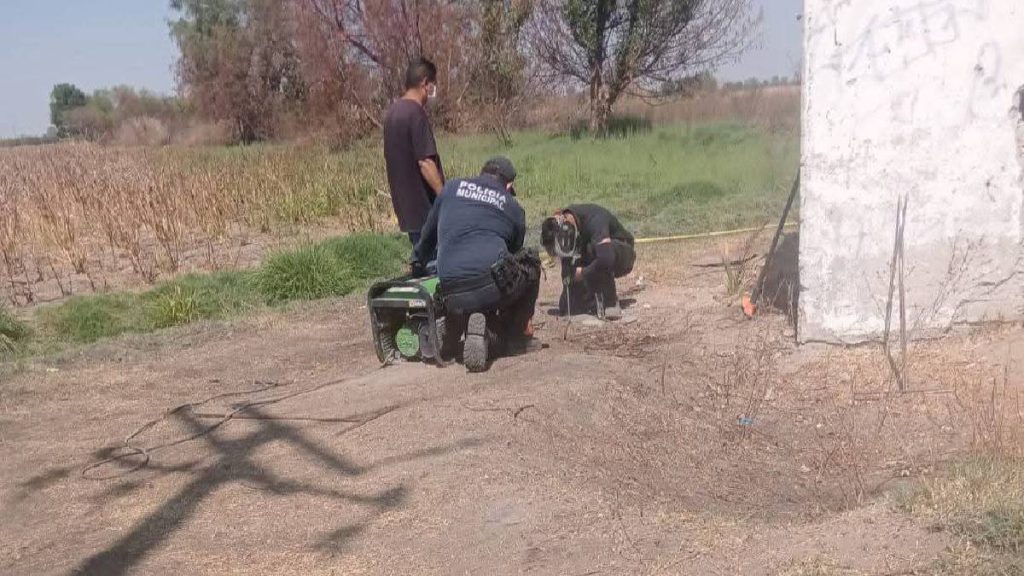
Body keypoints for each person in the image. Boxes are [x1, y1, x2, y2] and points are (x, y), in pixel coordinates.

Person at [412, 156, 542, 372]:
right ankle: (514, 336)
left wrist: (416, 263)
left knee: (471, 288)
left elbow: (427, 238)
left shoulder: (451, 188)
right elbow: (514, 253)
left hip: (450, 289)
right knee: (531, 263)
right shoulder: (512, 206)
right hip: (491, 286)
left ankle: (458, 324)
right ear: (509, 185)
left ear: (482, 173)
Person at [383, 57, 445, 251]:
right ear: (425, 83)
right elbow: (426, 163)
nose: (432, 92)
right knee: (435, 268)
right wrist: (444, 197)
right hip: (425, 210)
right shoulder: (415, 113)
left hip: (406, 210)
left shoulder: (392, 113)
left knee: (421, 261)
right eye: (432, 85)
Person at [541, 204, 635, 321]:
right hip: (597, 252)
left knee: (594, 250)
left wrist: (583, 273)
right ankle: (589, 298)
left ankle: (609, 301)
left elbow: (606, 258)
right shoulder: (567, 229)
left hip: (622, 253)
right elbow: (568, 271)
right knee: (569, 307)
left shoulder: (595, 220)